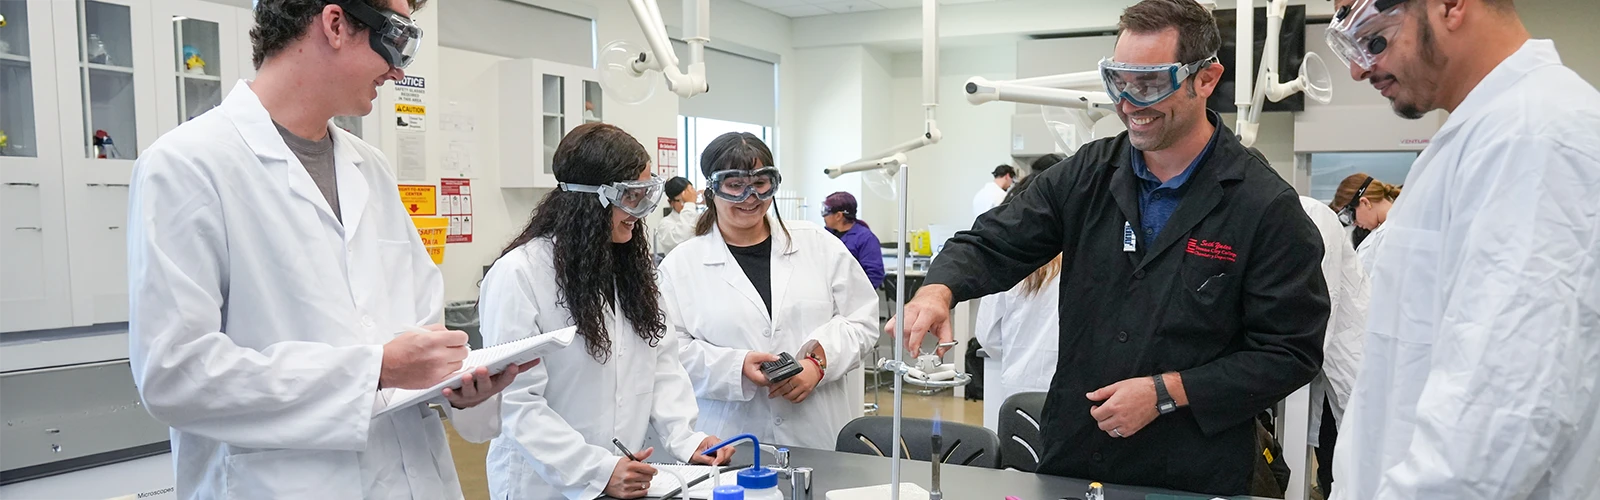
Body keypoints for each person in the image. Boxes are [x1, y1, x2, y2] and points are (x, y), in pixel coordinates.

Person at [887, 0, 1329, 495]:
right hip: (1074, 455)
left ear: (1206, 80)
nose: (1128, 102)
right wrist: (937, 291)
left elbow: (1290, 351)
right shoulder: (1088, 175)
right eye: (1118, 80)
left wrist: (1167, 392)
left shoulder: (1263, 206)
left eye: (1150, 84)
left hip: (1190, 468)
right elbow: (993, 239)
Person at [125, 1, 530, 498]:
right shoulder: (186, 165)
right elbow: (175, 374)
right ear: (335, 24)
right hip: (281, 482)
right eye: (396, 37)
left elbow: (418, 326)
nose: (399, 68)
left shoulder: (370, 167)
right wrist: (376, 369)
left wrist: (459, 388)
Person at [1325, 0, 1600, 498]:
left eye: (1372, 37)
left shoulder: (1536, 137)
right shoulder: (1482, 134)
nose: (1358, 67)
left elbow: (1502, 418)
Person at [480, 123, 732, 500]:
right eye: (631, 197)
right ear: (589, 199)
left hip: (623, 479)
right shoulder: (520, 274)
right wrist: (595, 471)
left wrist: (686, 438)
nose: (640, 211)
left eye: (646, 196)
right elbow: (516, 402)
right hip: (541, 483)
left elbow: (661, 363)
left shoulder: (630, 270)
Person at [658, 132, 880, 450]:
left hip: (815, 433)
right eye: (735, 185)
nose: (750, 197)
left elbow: (863, 320)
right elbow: (669, 352)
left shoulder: (817, 244)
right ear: (710, 191)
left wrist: (818, 364)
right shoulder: (681, 265)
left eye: (761, 183)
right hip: (729, 438)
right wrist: (736, 368)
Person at [972, 175, 1062, 430]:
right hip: (1070, 389)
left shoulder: (1007, 262)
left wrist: (1017, 350)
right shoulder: (1086, 258)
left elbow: (987, 336)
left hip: (1018, 385)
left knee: (1019, 460)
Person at [1297, 196, 1370, 498]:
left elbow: (1325, 297)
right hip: (1322, 356)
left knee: (1357, 450)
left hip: (1347, 349)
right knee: (1330, 444)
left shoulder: (1312, 213)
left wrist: (1293, 359)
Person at [1326, 173, 1400, 269]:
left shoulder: (1395, 232)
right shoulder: (1381, 230)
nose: (1353, 223)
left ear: (1365, 202)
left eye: (1350, 216)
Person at [821, 191, 886, 289]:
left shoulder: (866, 238)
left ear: (838, 216)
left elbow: (874, 274)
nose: (823, 216)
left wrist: (855, 297)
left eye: (826, 211)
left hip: (852, 297)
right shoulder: (826, 235)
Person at [654, 176, 700, 256]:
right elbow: (683, 236)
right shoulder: (665, 224)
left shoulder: (697, 217)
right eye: (683, 201)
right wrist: (689, 204)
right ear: (671, 202)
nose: (686, 205)